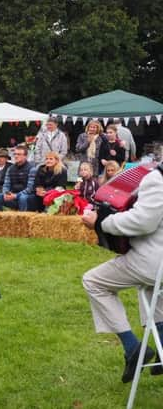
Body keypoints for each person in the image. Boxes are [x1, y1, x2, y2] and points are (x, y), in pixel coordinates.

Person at [81, 163, 163, 383]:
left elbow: (142, 222)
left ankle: (133, 348)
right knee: (150, 292)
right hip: (158, 265)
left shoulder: (157, 179)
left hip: (154, 263)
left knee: (93, 281)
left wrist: (102, 223)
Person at [0, 145, 37, 211]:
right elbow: (6, 185)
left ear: (25, 156)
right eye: (15, 154)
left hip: (28, 197)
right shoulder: (10, 169)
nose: (16, 156)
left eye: (19, 154)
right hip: (13, 195)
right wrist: (6, 193)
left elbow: (30, 189)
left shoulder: (32, 169)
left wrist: (16, 195)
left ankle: (22, 218)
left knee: (22, 198)